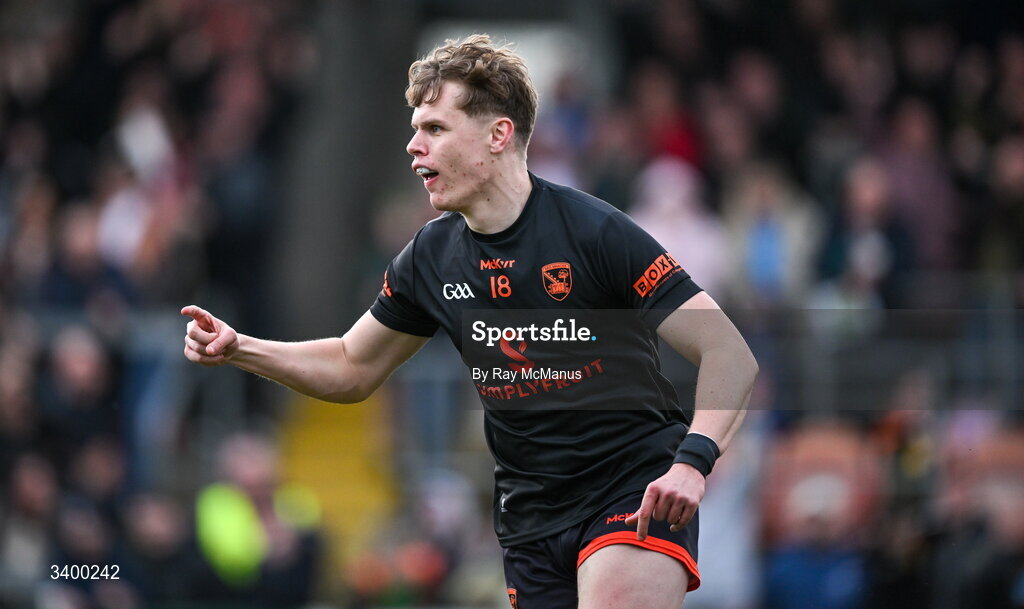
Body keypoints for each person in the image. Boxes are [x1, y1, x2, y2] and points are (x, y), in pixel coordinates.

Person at [181, 35, 757, 609]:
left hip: (632, 491)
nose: (412, 147)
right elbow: (353, 366)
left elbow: (729, 353)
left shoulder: (594, 233)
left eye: (434, 128)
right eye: (415, 129)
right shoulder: (429, 258)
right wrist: (240, 348)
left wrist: (692, 463)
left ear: (497, 135)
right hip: (528, 522)